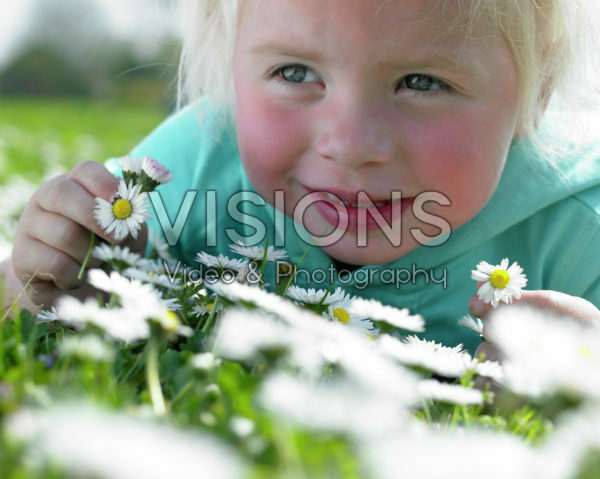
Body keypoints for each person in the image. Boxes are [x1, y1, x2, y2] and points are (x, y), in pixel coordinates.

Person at [2, 0, 600, 354]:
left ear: (538, 90)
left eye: (422, 82)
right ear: (232, 71)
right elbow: (31, 305)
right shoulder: (195, 161)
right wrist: (41, 276)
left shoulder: (579, 231)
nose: (350, 145)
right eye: (294, 72)